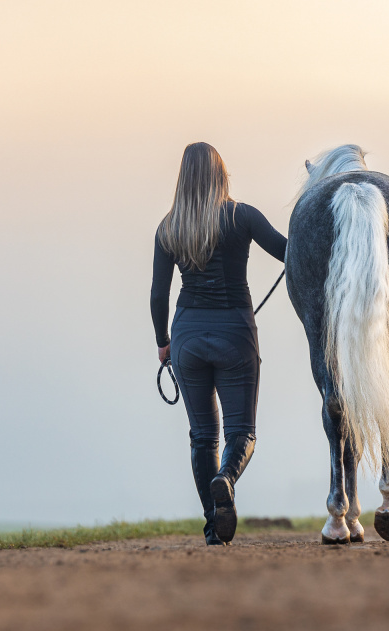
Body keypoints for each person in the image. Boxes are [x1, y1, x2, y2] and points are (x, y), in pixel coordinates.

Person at [150, 142, 287, 545]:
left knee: (201, 436)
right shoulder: (241, 216)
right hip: (234, 333)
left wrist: (163, 343)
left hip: (187, 337)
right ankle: (226, 479)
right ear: (220, 175)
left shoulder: (169, 227)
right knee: (241, 432)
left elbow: (158, 295)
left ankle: (213, 524)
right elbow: (288, 252)